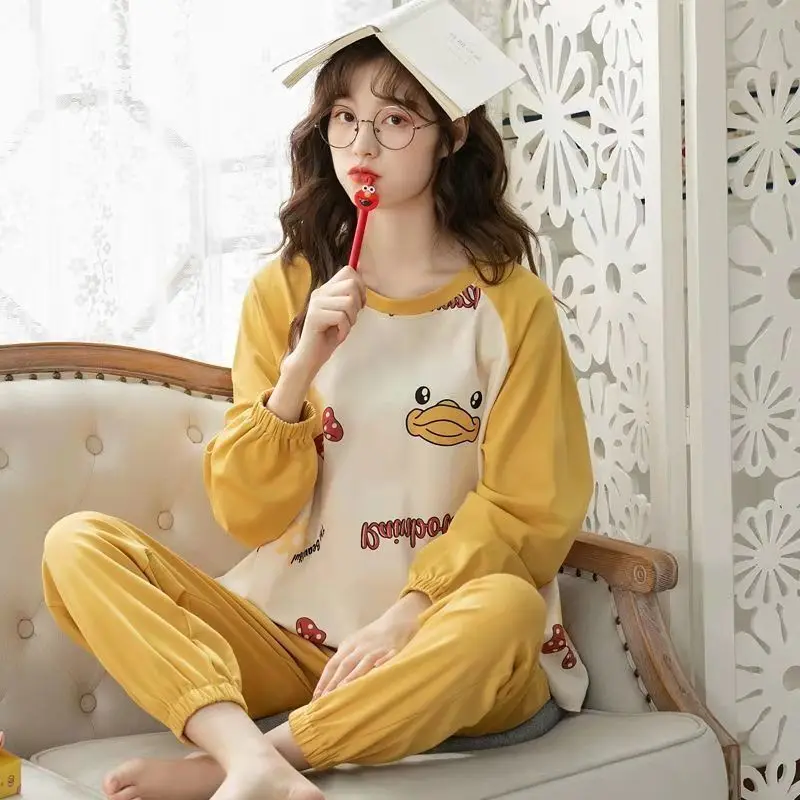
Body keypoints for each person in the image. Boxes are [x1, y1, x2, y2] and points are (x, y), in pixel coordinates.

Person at [37, 33, 592, 800]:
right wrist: (299, 370)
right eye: (343, 117)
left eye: (395, 120)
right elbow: (248, 513)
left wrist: (406, 617)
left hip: (439, 645)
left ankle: (255, 762)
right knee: (77, 545)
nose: (362, 144)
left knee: (508, 609)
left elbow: (530, 504)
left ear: (452, 134)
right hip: (294, 647)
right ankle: (245, 753)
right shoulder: (285, 291)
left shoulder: (510, 306)